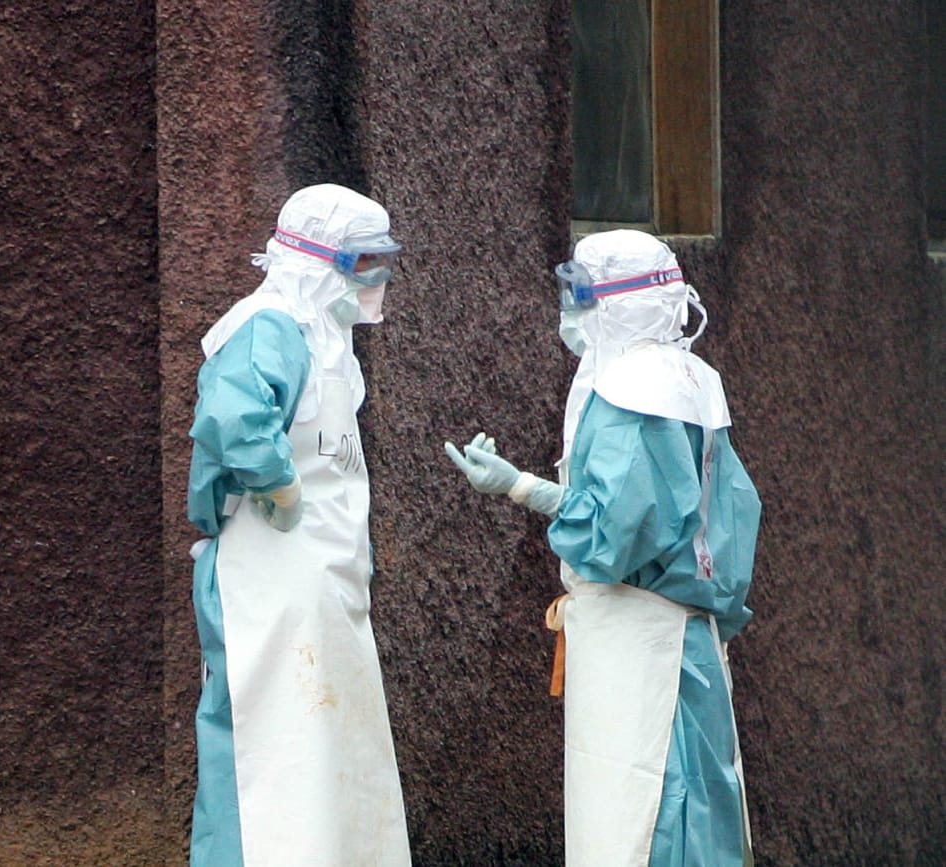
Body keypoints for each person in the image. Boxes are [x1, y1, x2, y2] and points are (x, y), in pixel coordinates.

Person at [445, 229, 761, 866]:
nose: (572, 309)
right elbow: (731, 517)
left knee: (641, 819)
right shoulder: (693, 380)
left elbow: (614, 534)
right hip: (692, 635)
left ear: (613, 302)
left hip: (638, 639)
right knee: (701, 809)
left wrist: (526, 489)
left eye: (580, 292)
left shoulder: (629, 393)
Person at [186, 183, 411, 867]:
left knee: (324, 762)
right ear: (319, 261)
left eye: (381, 261)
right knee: (266, 762)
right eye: (362, 261)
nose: (375, 278)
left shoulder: (326, 342)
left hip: (322, 586)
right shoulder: (269, 326)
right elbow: (234, 417)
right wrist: (278, 484)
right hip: (267, 577)